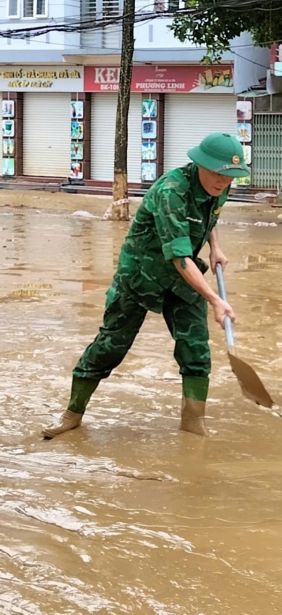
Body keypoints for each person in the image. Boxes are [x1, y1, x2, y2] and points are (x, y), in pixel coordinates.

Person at [42, 132, 249, 439]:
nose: (223, 181)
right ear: (201, 165)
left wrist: (215, 247)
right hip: (142, 274)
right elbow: (179, 258)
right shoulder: (171, 191)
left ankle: (193, 424)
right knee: (110, 346)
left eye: (230, 176)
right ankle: (72, 414)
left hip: (184, 276)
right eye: (218, 174)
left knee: (196, 349)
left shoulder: (220, 186)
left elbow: (210, 215)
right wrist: (215, 299)